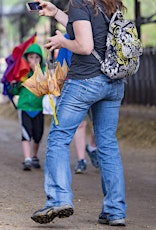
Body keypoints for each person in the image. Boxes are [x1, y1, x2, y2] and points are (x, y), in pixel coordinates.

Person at [31, 0, 127, 226]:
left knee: (58, 137)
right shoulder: (108, 3)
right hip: (113, 83)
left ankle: (58, 198)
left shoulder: (79, 2)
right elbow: (87, 28)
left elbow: (84, 46)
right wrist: (56, 13)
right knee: (107, 145)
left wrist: (62, 41)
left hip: (85, 81)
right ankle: (115, 210)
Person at [56, 36, 99, 174]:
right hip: (74, 86)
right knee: (80, 124)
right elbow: (60, 66)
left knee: (98, 123)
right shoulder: (65, 38)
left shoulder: (95, 33)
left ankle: (92, 147)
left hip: (95, 84)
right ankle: (81, 160)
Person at [8, 43, 45, 171]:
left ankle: (34, 156)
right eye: (31, 57)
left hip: (39, 108)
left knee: (38, 134)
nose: (34, 60)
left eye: (37, 58)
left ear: (41, 59)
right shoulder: (21, 74)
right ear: (26, 58)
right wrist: (13, 86)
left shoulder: (44, 73)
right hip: (24, 108)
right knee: (26, 134)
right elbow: (15, 92)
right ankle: (27, 158)